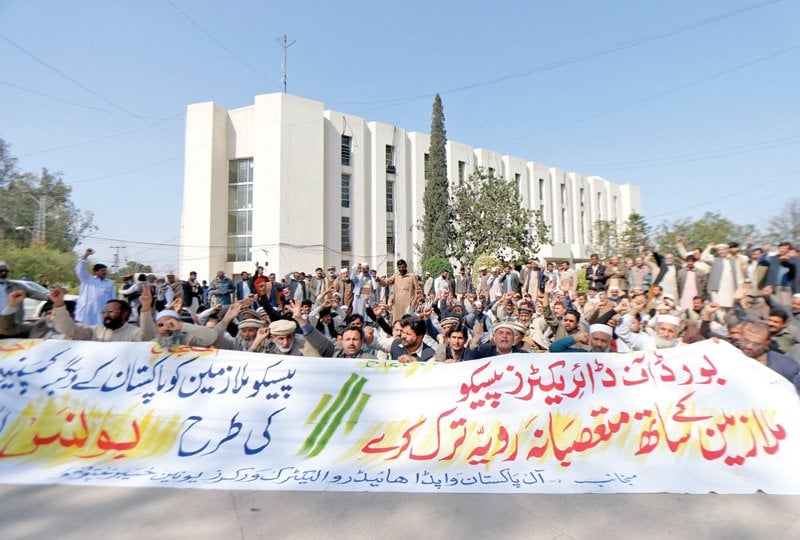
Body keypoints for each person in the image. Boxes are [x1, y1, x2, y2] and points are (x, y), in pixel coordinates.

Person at [50, 286, 153, 342]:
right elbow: (67, 329)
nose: (106, 315)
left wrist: (146, 307)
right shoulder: (94, 331)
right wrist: (59, 304)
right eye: (104, 312)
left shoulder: (134, 333)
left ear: (124, 314)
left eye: (111, 312)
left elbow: (148, 338)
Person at [738, 321, 800, 394]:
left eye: (757, 344)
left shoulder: (785, 365)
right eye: (746, 341)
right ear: (740, 337)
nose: (749, 346)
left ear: (767, 344)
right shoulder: (729, 354)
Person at [0, 289, 75, 339]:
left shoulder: (82, 331)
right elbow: (7, 329)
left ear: (71, 316)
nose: (51, 316)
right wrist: (12, 306)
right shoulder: (38, 326)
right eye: (49, 313)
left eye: (58, 313)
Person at [74, 248, 115, 325]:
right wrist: (86, 255)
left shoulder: (109, 283)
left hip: (102, 313)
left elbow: (112, 298)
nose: (105, 272)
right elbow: (80, 269)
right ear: (95, 271)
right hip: (87, 313)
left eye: (105, 270)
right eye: (102, 270)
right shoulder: (87, 279)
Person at [549, 323, 614, 353]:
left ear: (609, 342)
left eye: (604, 341)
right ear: (590, 338)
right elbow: (553, 349)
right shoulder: (582, 355)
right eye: (596, 339)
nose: (599, 344)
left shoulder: (617, 358)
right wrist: (577, 338)